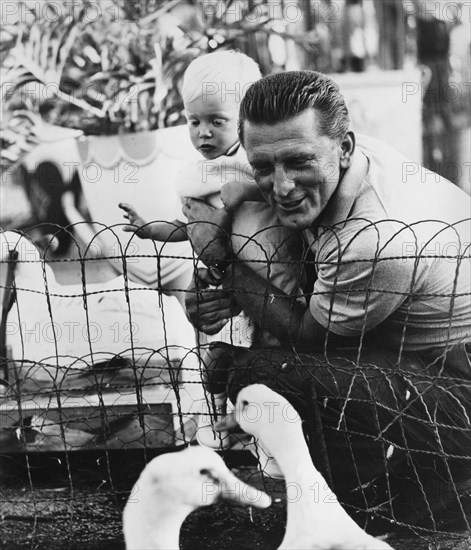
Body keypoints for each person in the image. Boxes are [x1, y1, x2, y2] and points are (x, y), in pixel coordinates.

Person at [182, 70, 471, 526]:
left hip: (457, 379)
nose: (281, 186)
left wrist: (226, 263)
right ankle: (383, 497)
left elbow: (309, 337)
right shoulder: (343, 166)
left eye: (298, 161)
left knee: (263, 373)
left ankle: (374, 510)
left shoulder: (374, 238)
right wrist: (222, 285)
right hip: (417, 355)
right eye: (263, 166)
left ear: (345, 147)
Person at [119, 52, 304, 449]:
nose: (203, 133)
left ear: (244, 117)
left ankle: (270, 436)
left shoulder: (256, 159)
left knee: (279, 354)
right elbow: (189, 224)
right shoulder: (198, 174)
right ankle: (227, 421)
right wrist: (148, 229)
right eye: (194, 122)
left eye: (216, 121)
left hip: (281, 276)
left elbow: (284, 194)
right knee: (238, 354)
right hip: (242, 280)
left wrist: (247, 191)